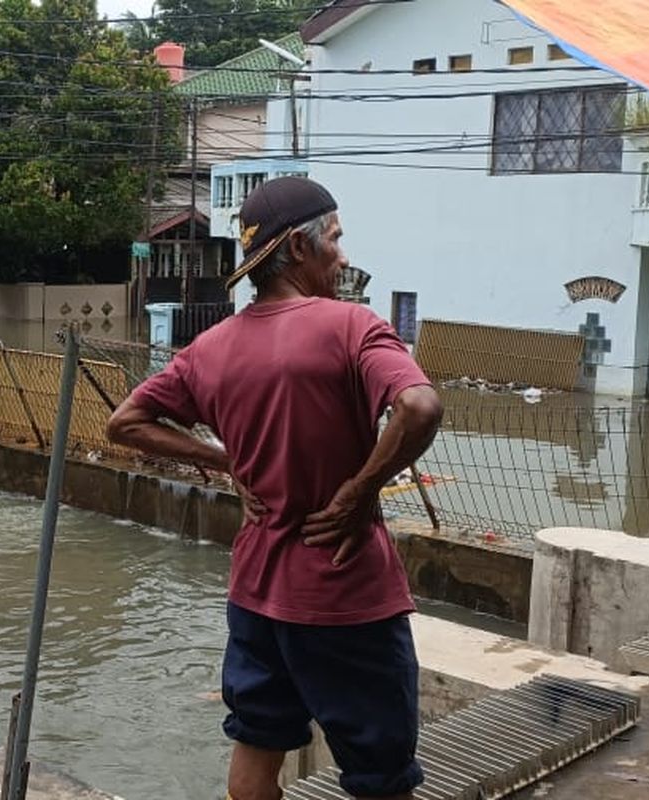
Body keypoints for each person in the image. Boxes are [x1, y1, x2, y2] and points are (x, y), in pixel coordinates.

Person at [106, 176, 443, 800]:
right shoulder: (352, 328)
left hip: (256, 593)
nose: (342, 256)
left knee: (258, 744)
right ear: (297, 248)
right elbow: (420, 408)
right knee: (381, 774)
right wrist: (361, 490)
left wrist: (224, 460)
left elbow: (126, 423)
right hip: (347, 595)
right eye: (335, 240)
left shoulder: (209, 349)